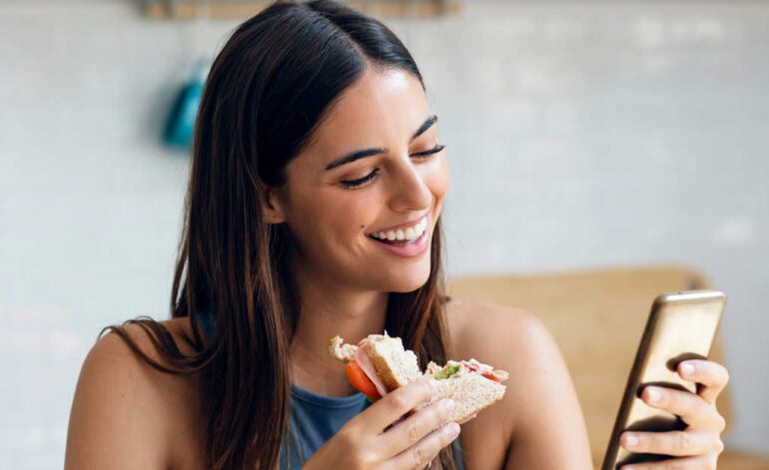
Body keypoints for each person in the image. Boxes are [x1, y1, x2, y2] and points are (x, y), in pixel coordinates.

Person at [64, 1, 729, 469]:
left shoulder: (508, 356)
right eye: (361, 175)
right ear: (268, 196)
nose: (417, 195)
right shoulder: (139, 378)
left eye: (426, 149)